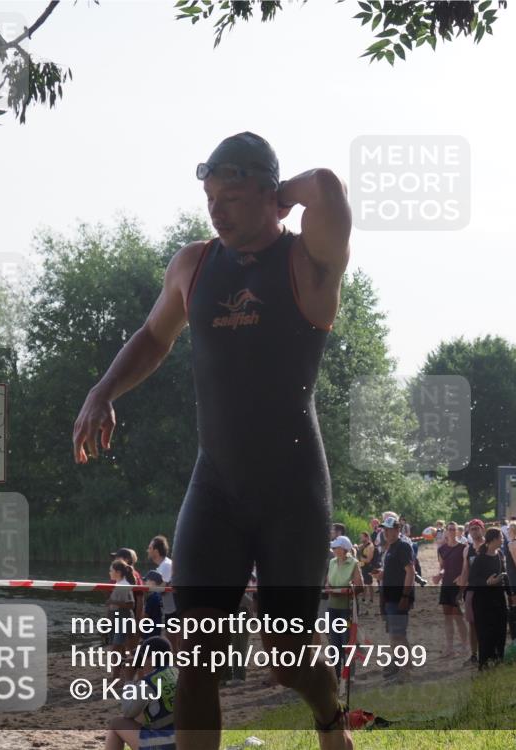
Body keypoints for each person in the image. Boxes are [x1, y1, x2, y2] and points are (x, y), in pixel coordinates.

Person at [72, 132, 353, 748]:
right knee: (192, 649)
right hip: (216, 486)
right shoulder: (193, 264)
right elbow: (153, 336)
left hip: (292, 487)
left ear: (272, 196)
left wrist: (278, 195)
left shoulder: (307, 261)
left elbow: (327, 187)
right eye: (209, 196)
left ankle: (329, 717)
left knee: (285, 654)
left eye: (230, 196)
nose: (215, 209)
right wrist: (103, 392)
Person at [104, 635, 178, 750]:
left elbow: (127, 711)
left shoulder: (149, 683)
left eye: (142, 658)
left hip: (167, 744)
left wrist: (129, 679)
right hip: (185, 739)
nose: (141, 663)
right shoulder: (176, 672)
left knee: (116, 723)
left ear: (151, 659)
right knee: (142, 713)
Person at [375, 516, 414, 680]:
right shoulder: (390, 548)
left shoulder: (403, 546)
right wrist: (382, 574)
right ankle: (399, 665)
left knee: (398, 634)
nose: (385, 532)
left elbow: (410, 572)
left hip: (399, 597)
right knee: (393, 633)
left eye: (389, 529)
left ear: (397, 530)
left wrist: (405, 595)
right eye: (384, 529)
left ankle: (406, 669)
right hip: (389, 597)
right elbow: (395, 570)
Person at [324, 536, 363, 684]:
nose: (333, 550)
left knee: (347, 641)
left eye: (336, 547)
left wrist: (346, 591)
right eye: (333, 548)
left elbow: (360, 586)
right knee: (334, 642)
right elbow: (328, 582)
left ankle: (349, 674)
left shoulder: (353, 563)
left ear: (344, 549)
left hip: (347, 608)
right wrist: (329, 589)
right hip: (333, 607)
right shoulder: (332, 562)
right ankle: (336, 674)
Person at [468, 528, 508, 669]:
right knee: (485, 634)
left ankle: (498, 661)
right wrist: (486, 582)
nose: (503, 539)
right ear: (493, 540)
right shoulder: (481, 558)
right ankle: (484, 665)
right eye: (501, 537)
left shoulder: (500, 555)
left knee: (500, 631)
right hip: (483, 602)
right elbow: (472, 579)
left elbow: (504, 575)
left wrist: (511, 594)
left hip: (499, 599)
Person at [434, 522, 468, 658]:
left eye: (454, 529)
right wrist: (439, 575)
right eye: (450, 529)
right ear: (446, 532)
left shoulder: (463, 548)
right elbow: (442, 567)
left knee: (457, 615)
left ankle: (465, 644)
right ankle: (449, 647)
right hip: (446, 583)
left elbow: (466, 567)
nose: (452, 531)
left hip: (458, 585)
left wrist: (462, 577)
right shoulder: (442, 549)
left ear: (458, 531)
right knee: (447, 616)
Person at [458, 518, 486, 664]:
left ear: (483, 529)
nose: (474, 531)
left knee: (486, 622)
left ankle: (487, 651)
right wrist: (460, 591)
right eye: (472, 529)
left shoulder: (489, 546)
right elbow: (465, 571)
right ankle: (474, 654)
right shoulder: (467, 550)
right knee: (472, 623)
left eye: (477, 528)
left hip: (488, 591)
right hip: (472, 590)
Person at [108, 560, 138, 682]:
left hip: (124, 619)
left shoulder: (124, 585)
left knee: (117, 649)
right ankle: (123, 677)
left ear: (118, 572)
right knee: (121, 650)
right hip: (118, 618)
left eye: (111, 570)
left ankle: (117, 678)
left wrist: (113, 602)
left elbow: (131, 604)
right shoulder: (118, 583)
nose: (109, 572)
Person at [147, 535, 177, 644]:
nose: (148, 550)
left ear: (156, 551)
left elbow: (163, 588)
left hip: (174, 609)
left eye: (150, 548)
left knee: (174, 639)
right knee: (171, 638)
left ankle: (178, 659)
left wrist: (150, 587)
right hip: (170, 608)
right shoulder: (163, 566)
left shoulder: (166, 565)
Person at [356, 532, 377, 613]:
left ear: (366, 537)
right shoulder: (362, 545)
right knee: (364, 583)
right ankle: (363, 598)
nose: (361, 539)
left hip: (368, 567)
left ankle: (371, 599)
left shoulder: (370, 546)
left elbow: (368, 559)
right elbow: (357, 548)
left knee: (369, 583)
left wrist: (359, 558)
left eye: (362, 537)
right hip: (362, 566)